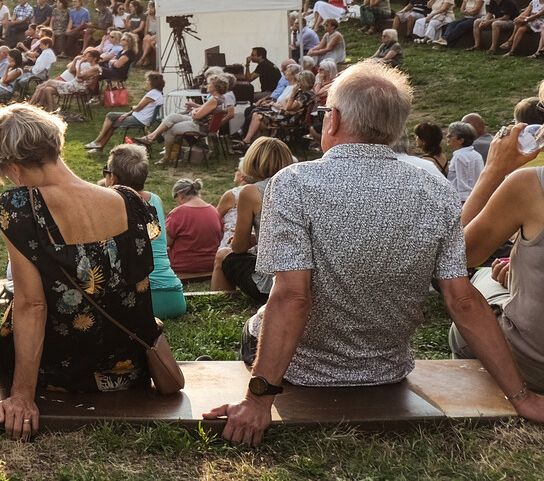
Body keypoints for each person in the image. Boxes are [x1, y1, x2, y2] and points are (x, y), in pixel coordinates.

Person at [205, 61, 544, 444]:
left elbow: (292, 297)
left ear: (332, 120)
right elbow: (463, 300)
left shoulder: (294, 183)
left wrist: (257, 401)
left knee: (257, 322)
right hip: (387, 369)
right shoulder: (436, 191)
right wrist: (522, 397)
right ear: (395, 128)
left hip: (304, 372)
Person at [0, 105, 178, 440]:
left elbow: (33, 305)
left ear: (13, 167)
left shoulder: (18, 208)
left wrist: (22, 397)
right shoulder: (130, 201)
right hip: (126, 371)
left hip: (58, 374)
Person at [458, 101, 544, 391]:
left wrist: (492, 171)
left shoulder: (531, 184)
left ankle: (480, 390)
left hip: (535, 366)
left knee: (478, 282)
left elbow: (457, 255)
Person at [104, 144, 186, 318]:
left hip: (140, 300)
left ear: (112, 178)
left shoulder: (110, 205)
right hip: (173, 296)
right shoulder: (155, 200)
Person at [216, 137, 295, 302]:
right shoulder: (299, 187)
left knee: (223, 254)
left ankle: (221, 303)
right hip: (301, 280)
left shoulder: (251, 192)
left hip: (270, 285)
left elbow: (239, 248)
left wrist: (249, 240)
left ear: (252, 160)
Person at [85, 72, 165, 152]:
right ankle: (98, 144)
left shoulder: (152, 95)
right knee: (110, 115)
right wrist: (127, 114)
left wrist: (133, 107)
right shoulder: (157, 94)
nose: (146, 82)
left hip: (139, 120)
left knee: (112, 123)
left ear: (152, 83)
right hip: (138, 116)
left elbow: (137, 108)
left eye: (147, 80)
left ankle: (98, 144)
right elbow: (139, 109)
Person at [165, 178, 222, 277]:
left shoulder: (178, 213)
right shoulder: (214, 211)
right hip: (211, 264)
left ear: (180, 195)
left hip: (183, 265)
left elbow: (166, 242)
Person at [447, 121, 485, 204]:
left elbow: (462, 181)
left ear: (460, 140)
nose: (447, 137)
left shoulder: (459, 156)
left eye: (450, 135)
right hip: (477, 196)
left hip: (464, 200)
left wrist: (462, 201)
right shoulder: (476, 155)